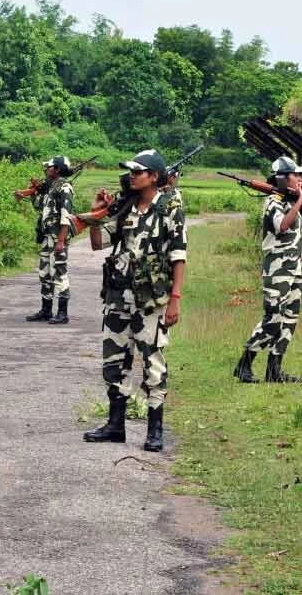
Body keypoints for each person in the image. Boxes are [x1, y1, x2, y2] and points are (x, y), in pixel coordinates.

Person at [82, 150, 187, 452]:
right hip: (118, 297)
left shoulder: (169, 210)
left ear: (154, 177)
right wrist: (95, 214)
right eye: (130, 171)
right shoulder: (125, 208)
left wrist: (175, 299)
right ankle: (116, 425)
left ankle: (155, 430)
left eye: (139, 171)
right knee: (114, 361)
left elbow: (178, 256)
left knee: (153, 362)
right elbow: (97, 243)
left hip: (150, 301)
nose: (132, 175)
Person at [233, 156, 302, 384]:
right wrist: (300, 200)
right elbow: (282, 226)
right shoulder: (273, 202)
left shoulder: (290, 200)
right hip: (278, 270)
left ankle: (274, 369)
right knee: (273, 319)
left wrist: (300, 199)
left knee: (289, 320)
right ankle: (244, 364)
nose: (300, 178)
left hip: (295, 270)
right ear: (283, 178)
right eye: (295, 175)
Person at [15, 156, 74, 324]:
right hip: (47, 237)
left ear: (57, 169)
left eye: (49, 167)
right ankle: (46, 310)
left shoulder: (65, 188)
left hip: (57, 237)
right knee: (45, 273)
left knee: (59, 272)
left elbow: (66, 216)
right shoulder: (50, 188)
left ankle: (62, 313)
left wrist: (61, 241)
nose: (46, 169)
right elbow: (39, 206)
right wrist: (30, 193)